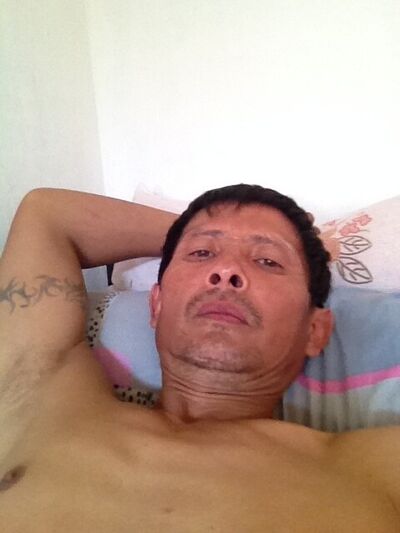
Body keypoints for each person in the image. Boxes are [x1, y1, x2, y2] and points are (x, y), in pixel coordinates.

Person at [0, 184, 399, 532]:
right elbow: (46, 214)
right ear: (156, 305)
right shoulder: (39, 402)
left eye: (268, 261)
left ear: (315, 330)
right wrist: (189, 231)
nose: (225, 270)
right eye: (203, 254)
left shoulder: (374, 469)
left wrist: (204, 238)